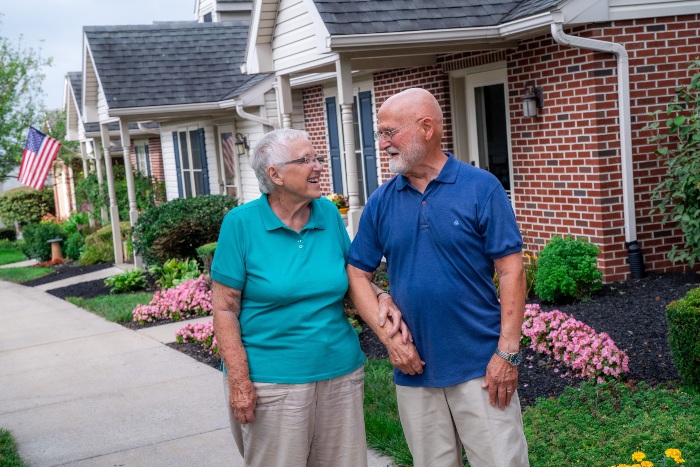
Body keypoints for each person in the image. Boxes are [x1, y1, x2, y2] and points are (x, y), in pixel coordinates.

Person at [347, 88, 530, 467]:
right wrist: (390, 341)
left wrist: (507, 353)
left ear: (426, 128)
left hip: (480, 367)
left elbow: (511, 269)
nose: (382, 144)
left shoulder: (481, 187)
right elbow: (357, 272)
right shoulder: (382, 200)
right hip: (414, 370)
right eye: (380, 134)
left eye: (389, 132)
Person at [210, 128, 402, 467]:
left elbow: (350, 279)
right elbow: (224, 308)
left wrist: (380, 295)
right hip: (272, 381)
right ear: (275, 175)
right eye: (306, 160)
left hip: (339, 373)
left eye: (318, 158)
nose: (318, 167)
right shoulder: (240, 224)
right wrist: (239, 382)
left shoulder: (327, 213)